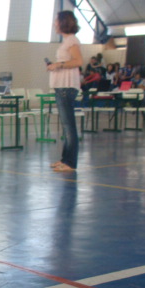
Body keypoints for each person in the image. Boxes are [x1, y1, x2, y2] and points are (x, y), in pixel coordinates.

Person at [47, 11, 83, 173]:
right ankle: (65, 159)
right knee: (66, 126)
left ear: (63, 22)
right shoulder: (66, 41)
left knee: (69, 126)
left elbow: (78, 61)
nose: (54, 23)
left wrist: (59, 65)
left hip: (67, 87)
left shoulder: (72, 41)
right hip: (61, 86)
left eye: (56, 20)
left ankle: (71, 162)